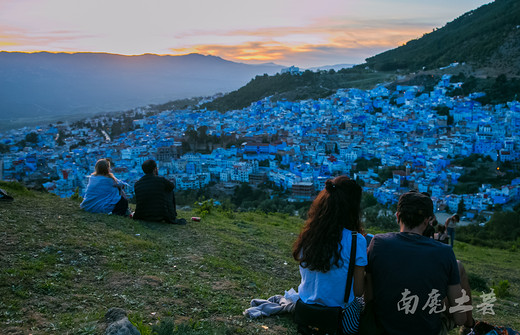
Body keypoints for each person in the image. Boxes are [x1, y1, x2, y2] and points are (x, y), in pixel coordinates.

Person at [365, 191, 472, 335]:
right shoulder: (445, 252)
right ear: (427, 221)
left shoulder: (377, 243)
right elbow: (459, 318)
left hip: (383, 329)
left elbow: (369, 297)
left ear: (397, 217)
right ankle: (471, 327)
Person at [292, 176, 367, 334]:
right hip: (338, 320)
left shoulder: (309, 235)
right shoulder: (356, 240)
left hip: (305, 313)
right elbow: (359, 290)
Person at [133, 159, 185, 224]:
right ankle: (171, 214)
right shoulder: (160, 180)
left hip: (143, 216)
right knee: (169, 190)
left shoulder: (137, 184)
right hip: (160, 216)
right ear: (155, 169)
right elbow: (172, 186)